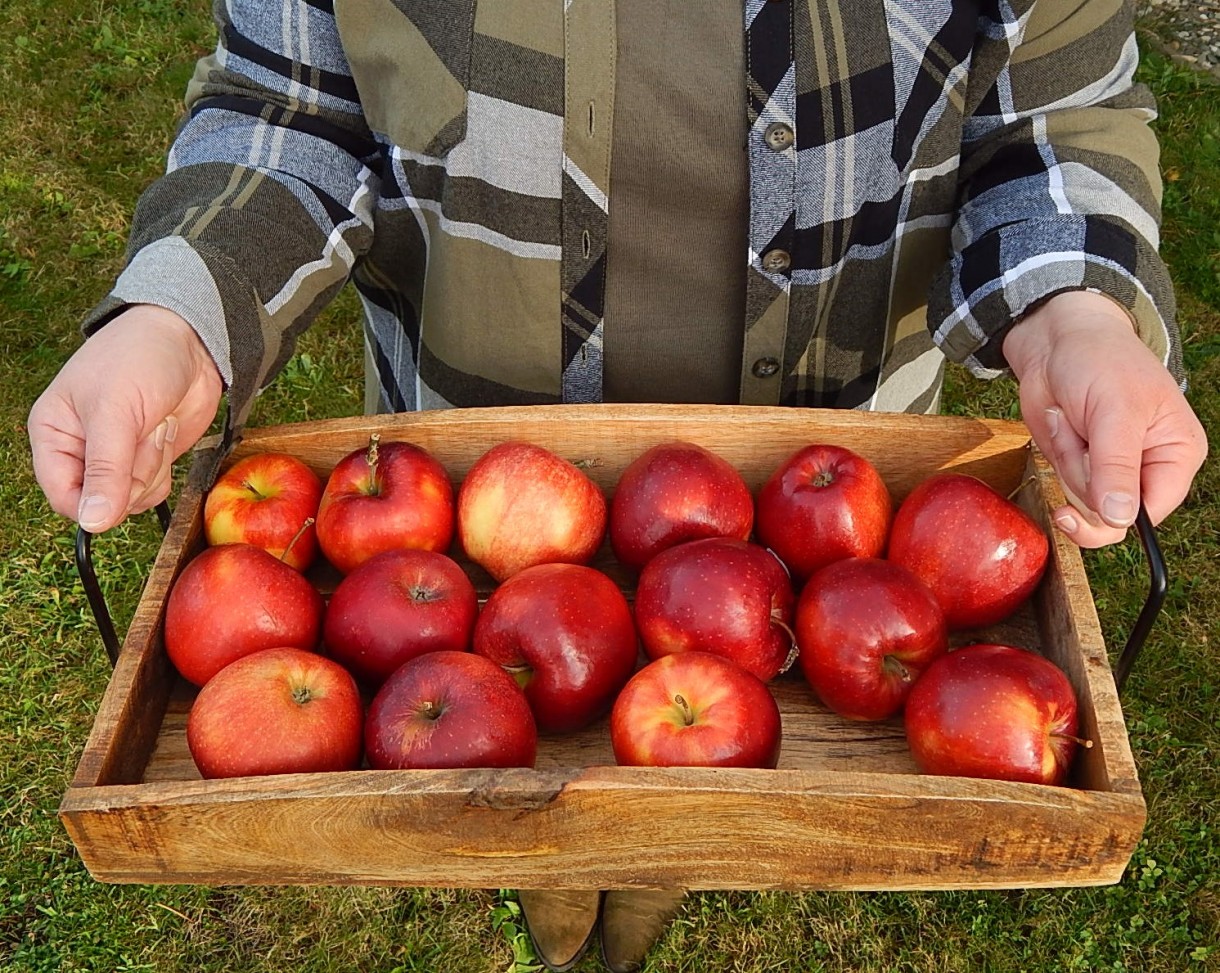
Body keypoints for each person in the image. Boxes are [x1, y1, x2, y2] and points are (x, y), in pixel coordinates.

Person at [27, 1, 1207, 971]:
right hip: (463, 480)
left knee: (680, 780)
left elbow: (1052, 112)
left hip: (834, 511)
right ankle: (561, 910)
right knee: (546, 781)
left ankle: (633, 900)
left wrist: (1076, 311)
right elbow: (288, 108)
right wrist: (181, 313)